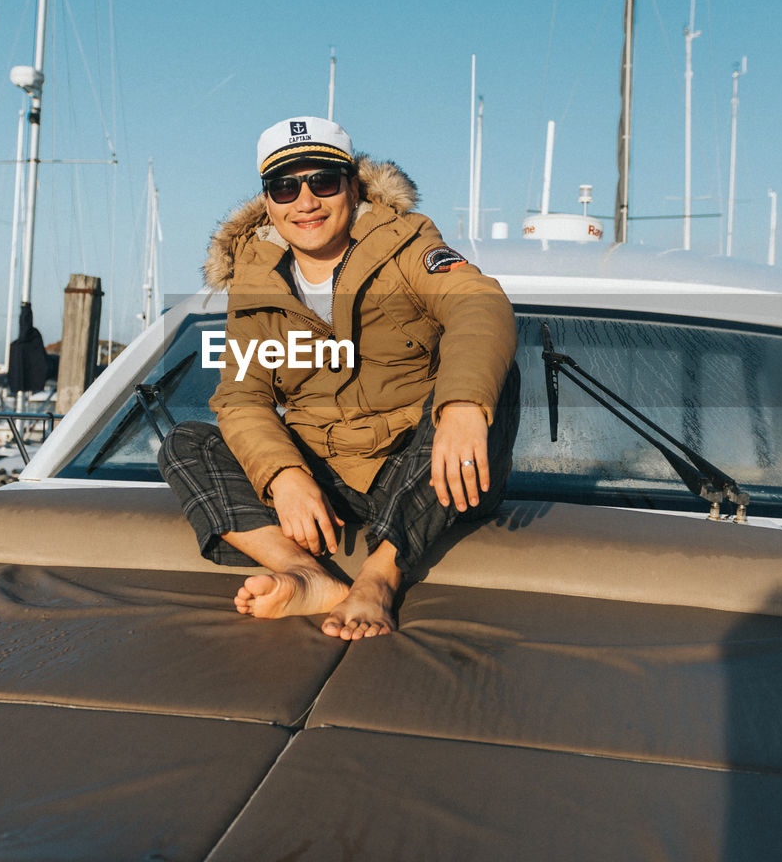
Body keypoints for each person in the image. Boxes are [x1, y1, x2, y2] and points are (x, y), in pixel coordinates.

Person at [158, 116, 519, 640]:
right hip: (327, 482)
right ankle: (303, 574)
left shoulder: (407, 244)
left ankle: (380, 575)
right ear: (268, 202)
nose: (304, 201)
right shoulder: (254, 283)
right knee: (186, 441)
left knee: (490, 386)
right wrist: (284, 476)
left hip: (423, 474)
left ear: (352, 185)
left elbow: (479, 304)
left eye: (322, 181)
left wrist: (462, 407)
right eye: (284, 187)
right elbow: (243, 397)